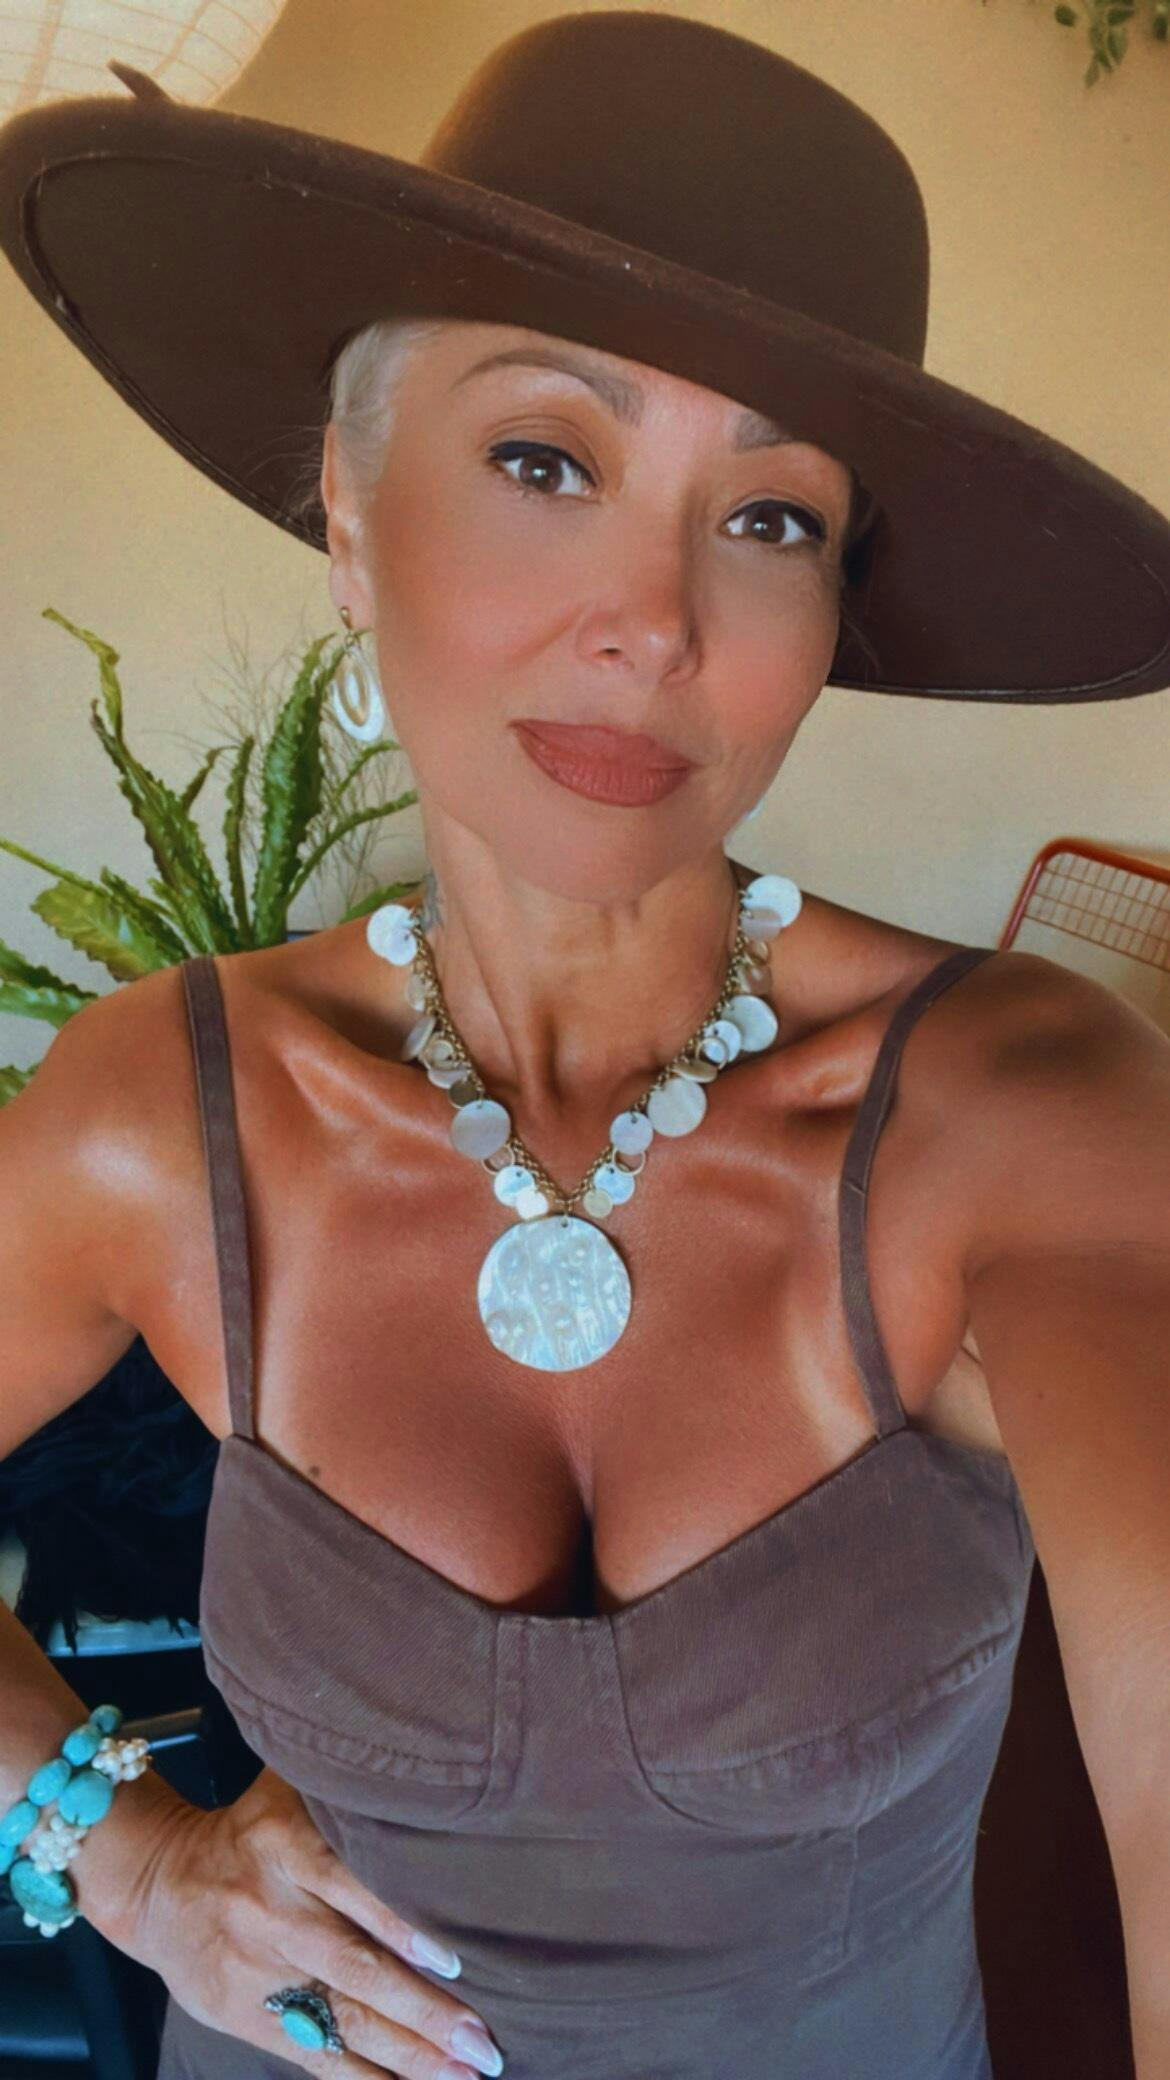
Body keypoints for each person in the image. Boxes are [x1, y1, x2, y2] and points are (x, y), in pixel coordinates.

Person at [0, 13, 1168, 2080]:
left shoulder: (1026, 1111)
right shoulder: (154, 1116)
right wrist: (121, 1853)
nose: (654, 620)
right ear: (348, 516)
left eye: (770, 519)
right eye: (546, 460)